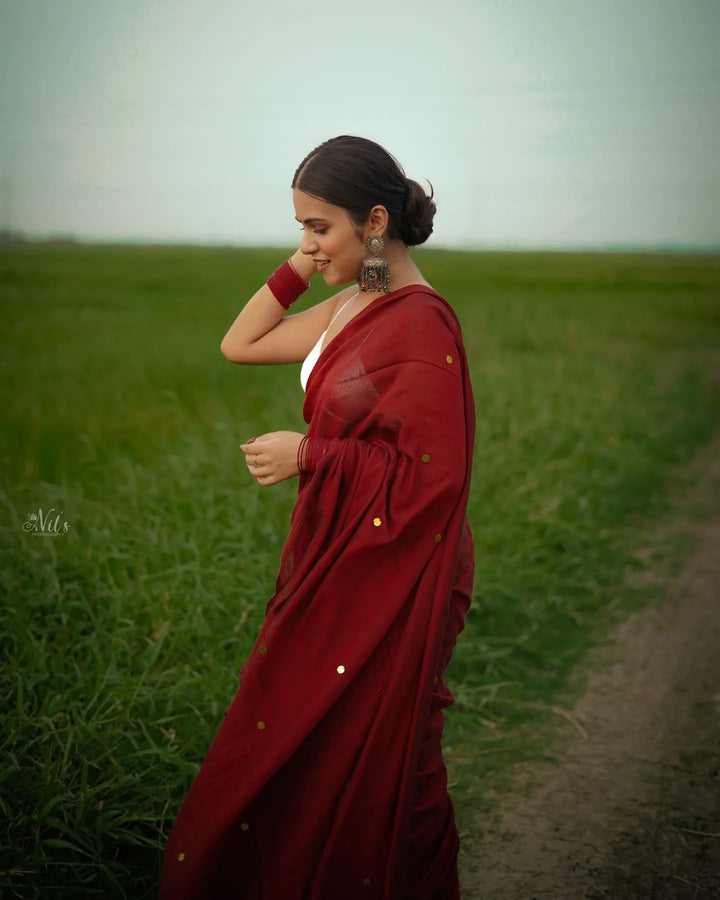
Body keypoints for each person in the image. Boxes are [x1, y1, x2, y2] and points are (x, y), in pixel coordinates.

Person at [160, 135, 476, 899]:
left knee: (384, 754)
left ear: (375, 219)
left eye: (317, 227)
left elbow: (433, 477)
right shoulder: (359, 301)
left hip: (397, 569)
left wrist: (313, 456)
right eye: (299, 226)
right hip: (335, 558)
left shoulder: (421, 324)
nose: (305, 243)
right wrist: (312, 256)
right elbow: (240, 344)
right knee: (302, 735)